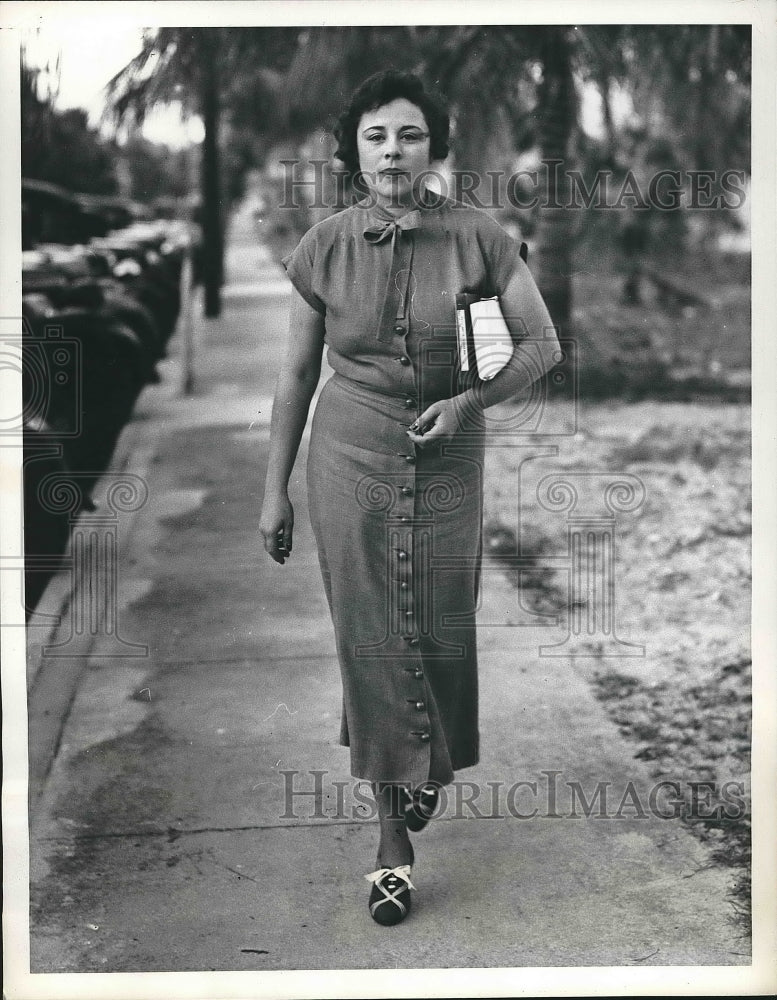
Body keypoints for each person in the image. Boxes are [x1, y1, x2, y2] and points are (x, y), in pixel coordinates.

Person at [259, 70, 559, 925]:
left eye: (411, 136)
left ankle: (426, 768)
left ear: (436, 148)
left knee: (438, 632)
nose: (393, 152)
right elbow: (291, 377)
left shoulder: (478, 237)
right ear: (353, 151)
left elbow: (538, 347)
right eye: (377, 137)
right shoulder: (324, 245)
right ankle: (390, 839)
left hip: (449, 458)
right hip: (346, 454)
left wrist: (470, 400)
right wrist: (271, 489)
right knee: (370, 643)